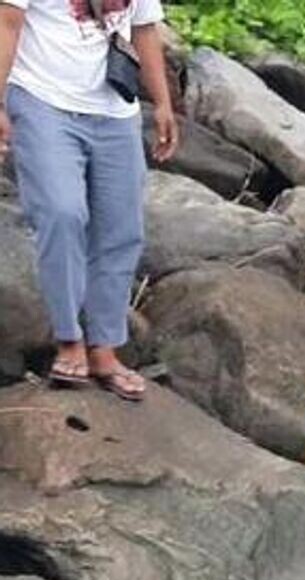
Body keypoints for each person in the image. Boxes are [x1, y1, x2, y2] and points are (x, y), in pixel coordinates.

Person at [0, 0, 178, 401]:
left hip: (115, 109)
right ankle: (69, 339)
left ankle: (104, 348)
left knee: (121, 229)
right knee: (61, 213)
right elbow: (7, 23)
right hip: (41, 98)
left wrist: (163, 103)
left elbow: (145, 29)